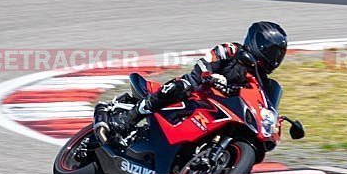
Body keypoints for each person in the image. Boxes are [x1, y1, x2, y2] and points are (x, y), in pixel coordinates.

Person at [101, 21, 287, 138]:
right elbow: (207, 61)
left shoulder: (261, 81)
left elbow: (261, 103)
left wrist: (274, 121)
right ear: (257, 43)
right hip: (200, 92)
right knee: (184, 85)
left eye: (279, 53)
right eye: (272, 51)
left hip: (222, 110)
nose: (275, 57)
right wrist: (210, 76)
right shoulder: (232, 50)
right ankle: (130, 117)